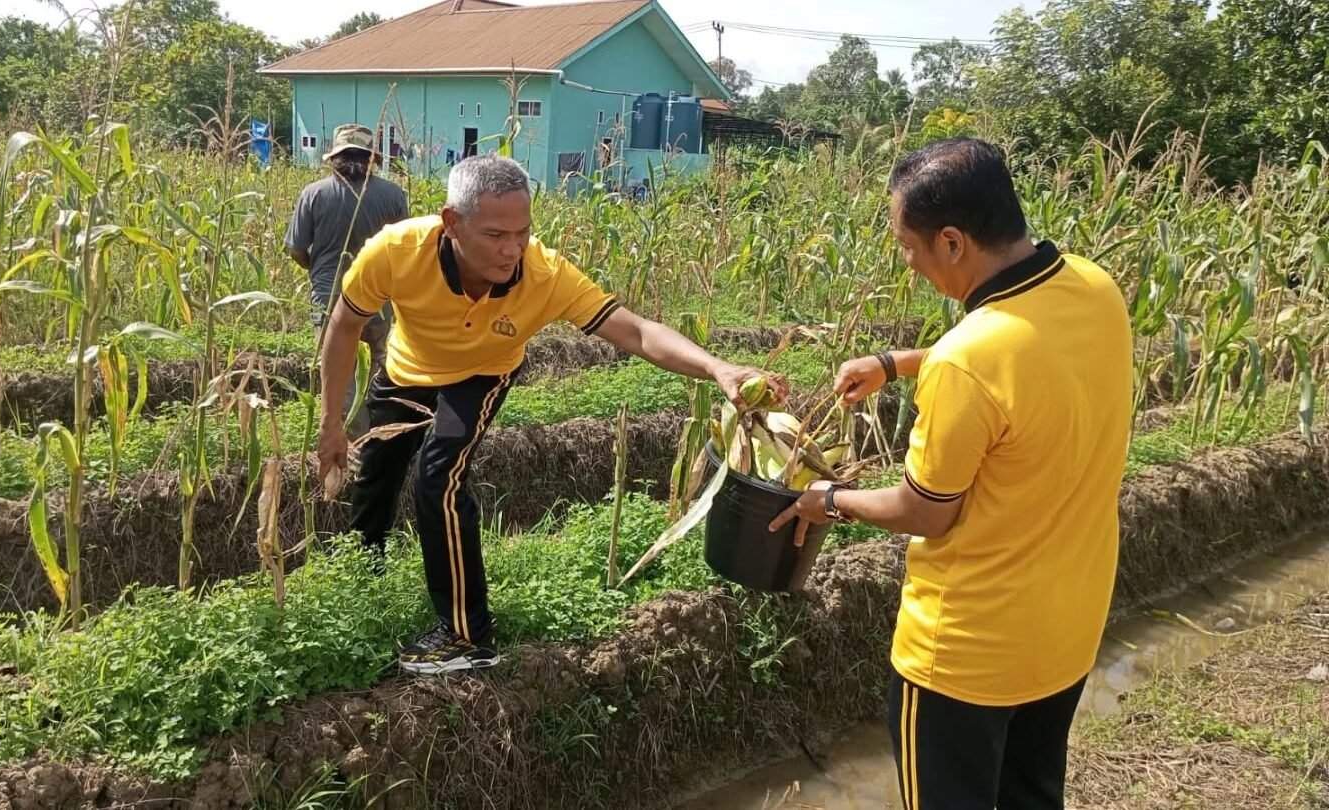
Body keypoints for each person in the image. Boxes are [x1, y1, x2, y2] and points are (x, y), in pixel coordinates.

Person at [316, 153, 784, 676]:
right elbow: (343, 326)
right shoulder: (395, 251)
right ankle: (366, 573)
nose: (512, 248)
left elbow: (637, 332)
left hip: (482, 374)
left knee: (438, 477)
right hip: (407, 367)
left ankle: (468, 636)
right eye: (495, 235)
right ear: (452, 223)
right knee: (376, 473)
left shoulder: (544, 273)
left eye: (523, 231)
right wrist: (332, 421)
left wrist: (717, 367)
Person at [769, 138, 1132, 810]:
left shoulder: (969, 361)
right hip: (1066, 631)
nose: (908, 263)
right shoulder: (1093, 287)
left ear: (955, 243)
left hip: (964, 659)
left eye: (909, 245)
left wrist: (830, 498)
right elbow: (1022, 350)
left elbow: (926, 512)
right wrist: (898, 361)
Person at [285, 123, 408, 435]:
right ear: (371, 159)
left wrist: (317, 270)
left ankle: (358, 441)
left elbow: (296, 249)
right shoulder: (393, 195)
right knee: (382, 367)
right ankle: (387, 434)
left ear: (334, 159)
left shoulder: (313, 194)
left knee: (341, 375)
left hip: (330, 299)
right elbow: (405, 250)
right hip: (379, 300)